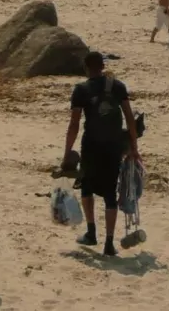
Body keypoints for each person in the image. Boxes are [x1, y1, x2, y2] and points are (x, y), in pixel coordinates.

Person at [64, 52, 141, 256]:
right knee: (109, 193)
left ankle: (91, 232)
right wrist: (134, 148)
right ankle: (109, 243)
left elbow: (74, 124)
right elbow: (129, 119)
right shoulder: (118, 86)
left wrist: (67, 152)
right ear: (102, 65)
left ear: (86, 68)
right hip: (114, 146)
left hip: (91, 146)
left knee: (87, 187)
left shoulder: (81, 89)